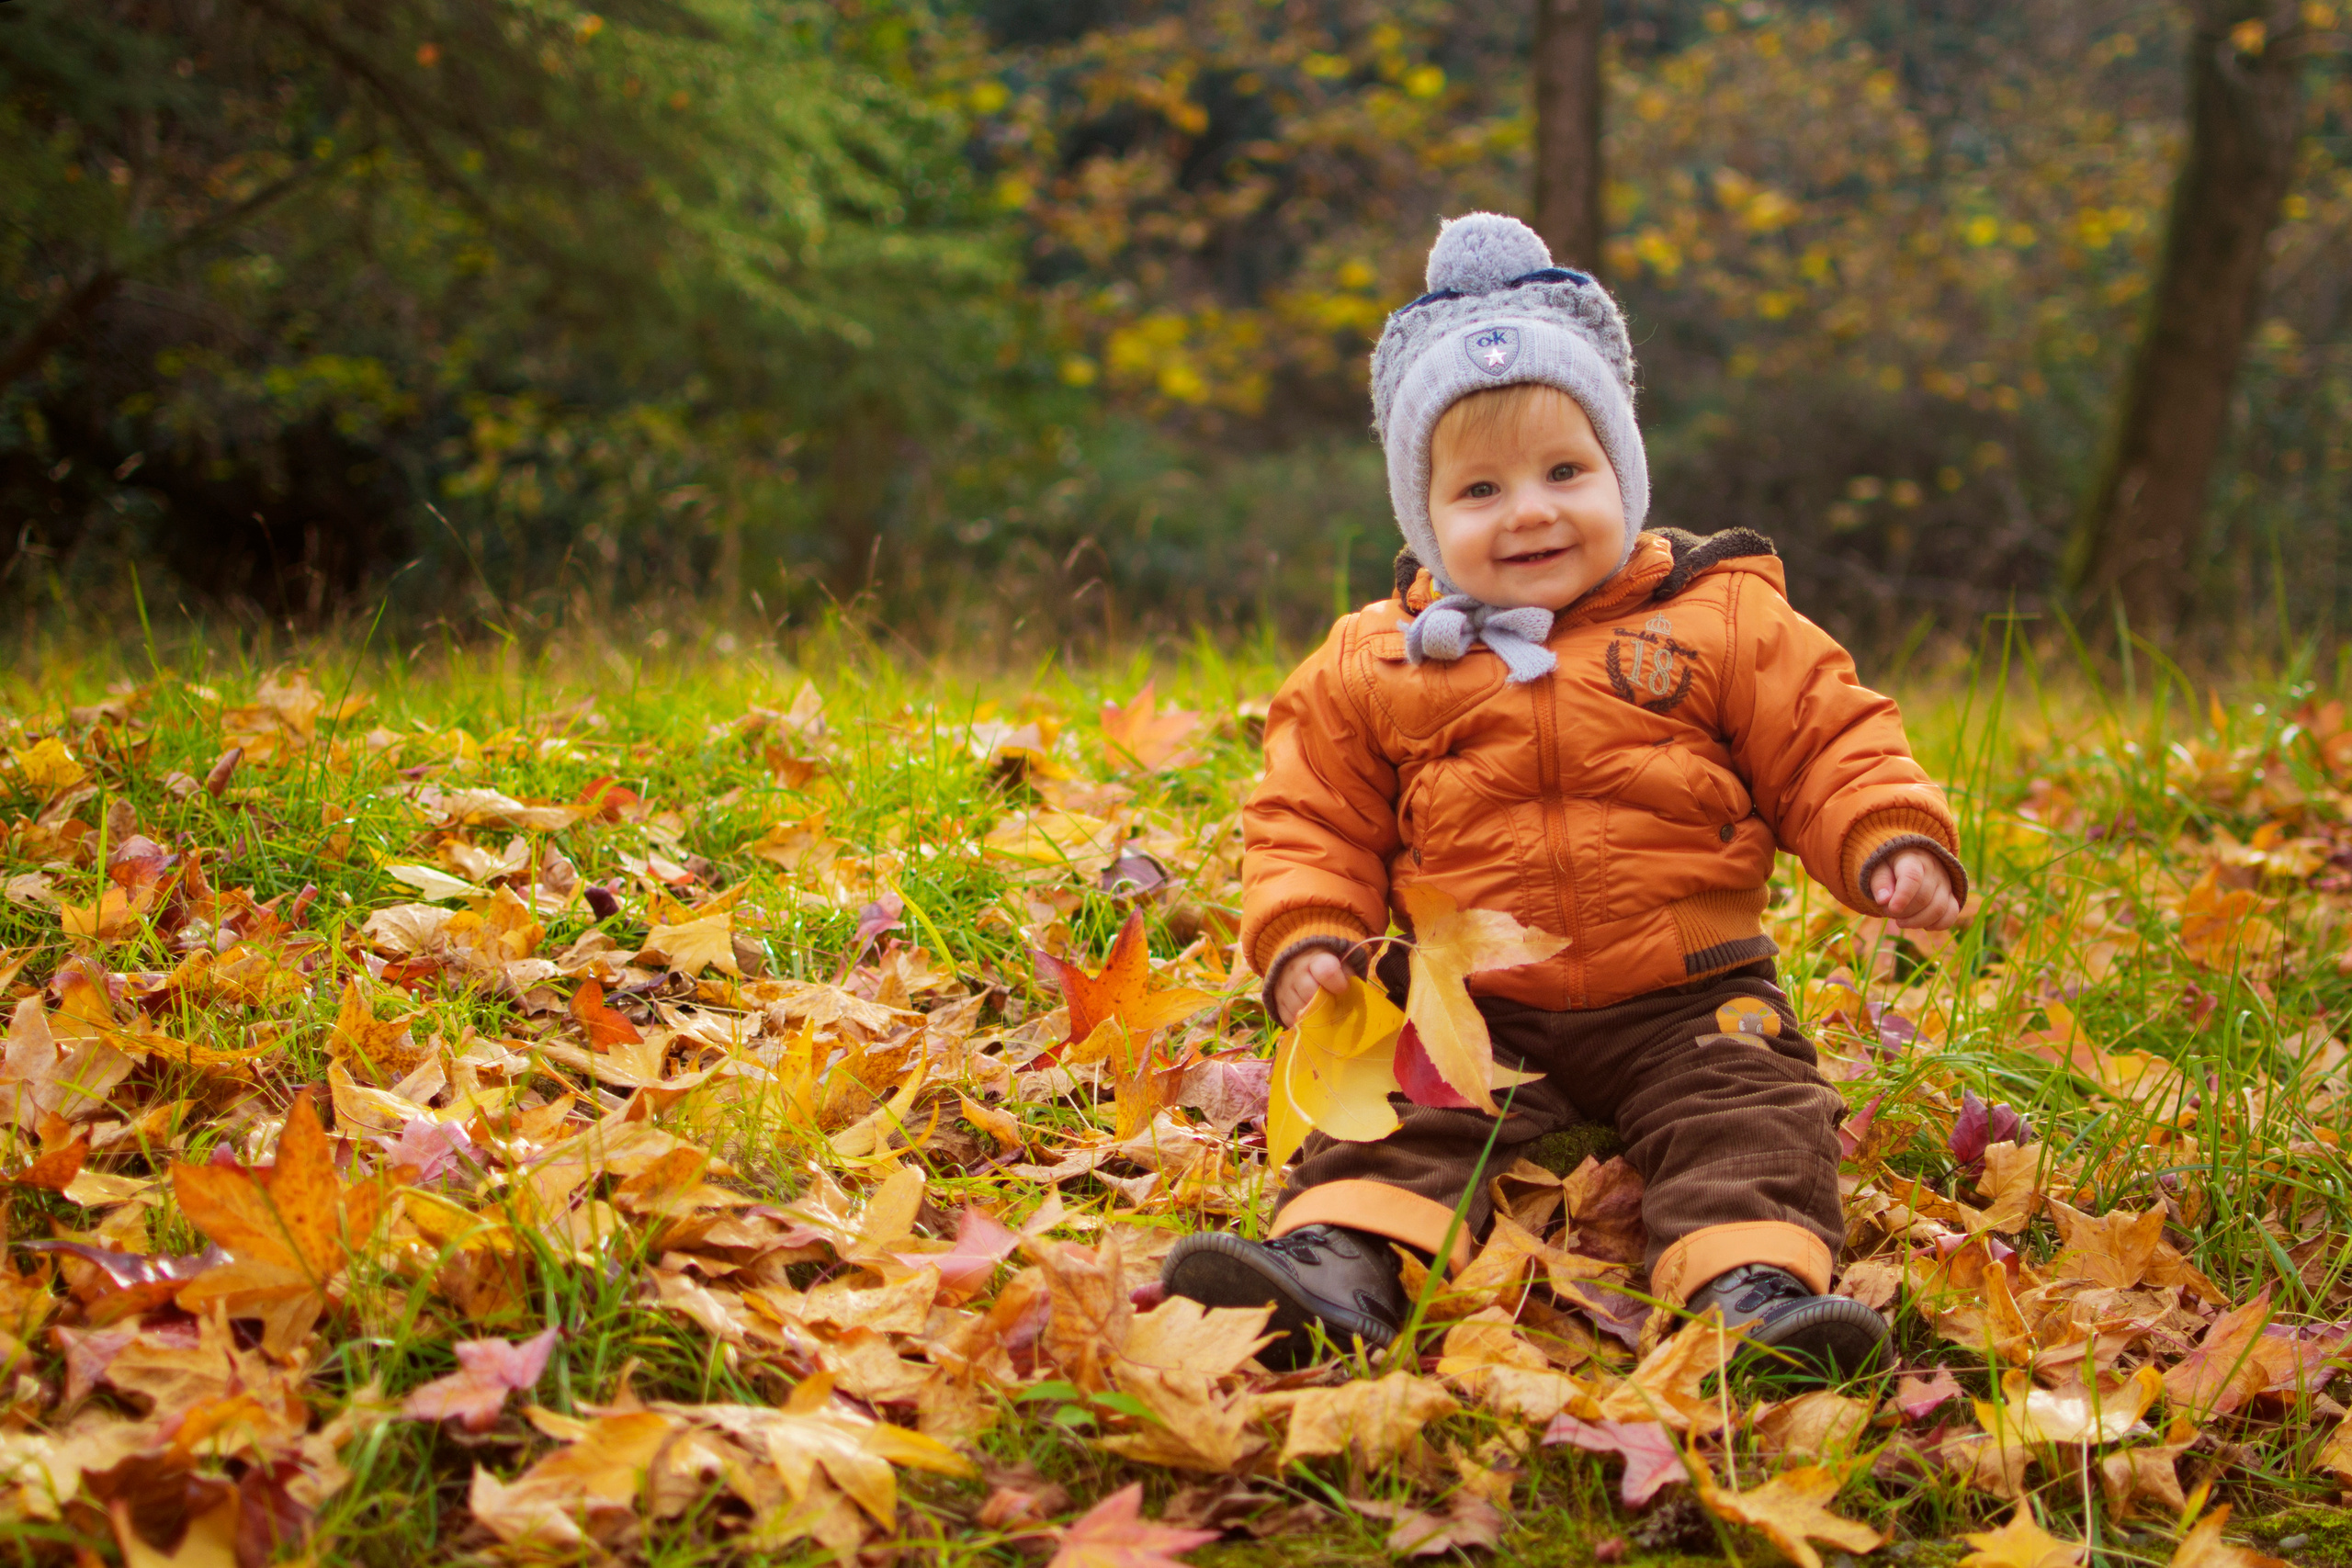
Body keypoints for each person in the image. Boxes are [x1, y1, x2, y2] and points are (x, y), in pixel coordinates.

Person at [1160, 212, 1964, 1378]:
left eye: (1564, 472)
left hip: (1687, 987)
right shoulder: (1377, 660)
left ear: (1622, 471)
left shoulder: (1716, 616)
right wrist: (1307, 933)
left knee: (1752, 1104)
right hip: (1467, 996)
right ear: (1423, 514)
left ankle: (1749, 1291)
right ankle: (1341, 1262)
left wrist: (1887, 837)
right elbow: (1309, 816)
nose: (1529, 510)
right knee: (1397, 1102)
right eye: (1480, 488)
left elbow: (1827, 738)